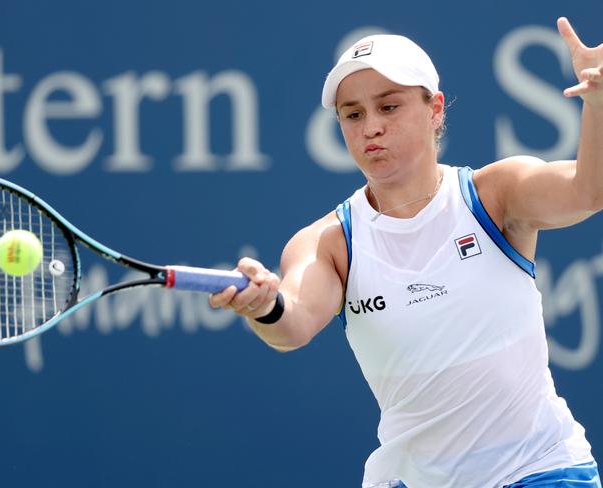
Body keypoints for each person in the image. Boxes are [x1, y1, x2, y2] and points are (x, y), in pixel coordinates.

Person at [209, 17, 603, 488]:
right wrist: (265, 305)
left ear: (435, 109)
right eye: (352, 115)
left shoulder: (497, 194)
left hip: (542, 469)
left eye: (389, 106)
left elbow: (588, 191)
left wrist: (598, 102)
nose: (371, 127)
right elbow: (290, 324)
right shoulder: (327, 241)